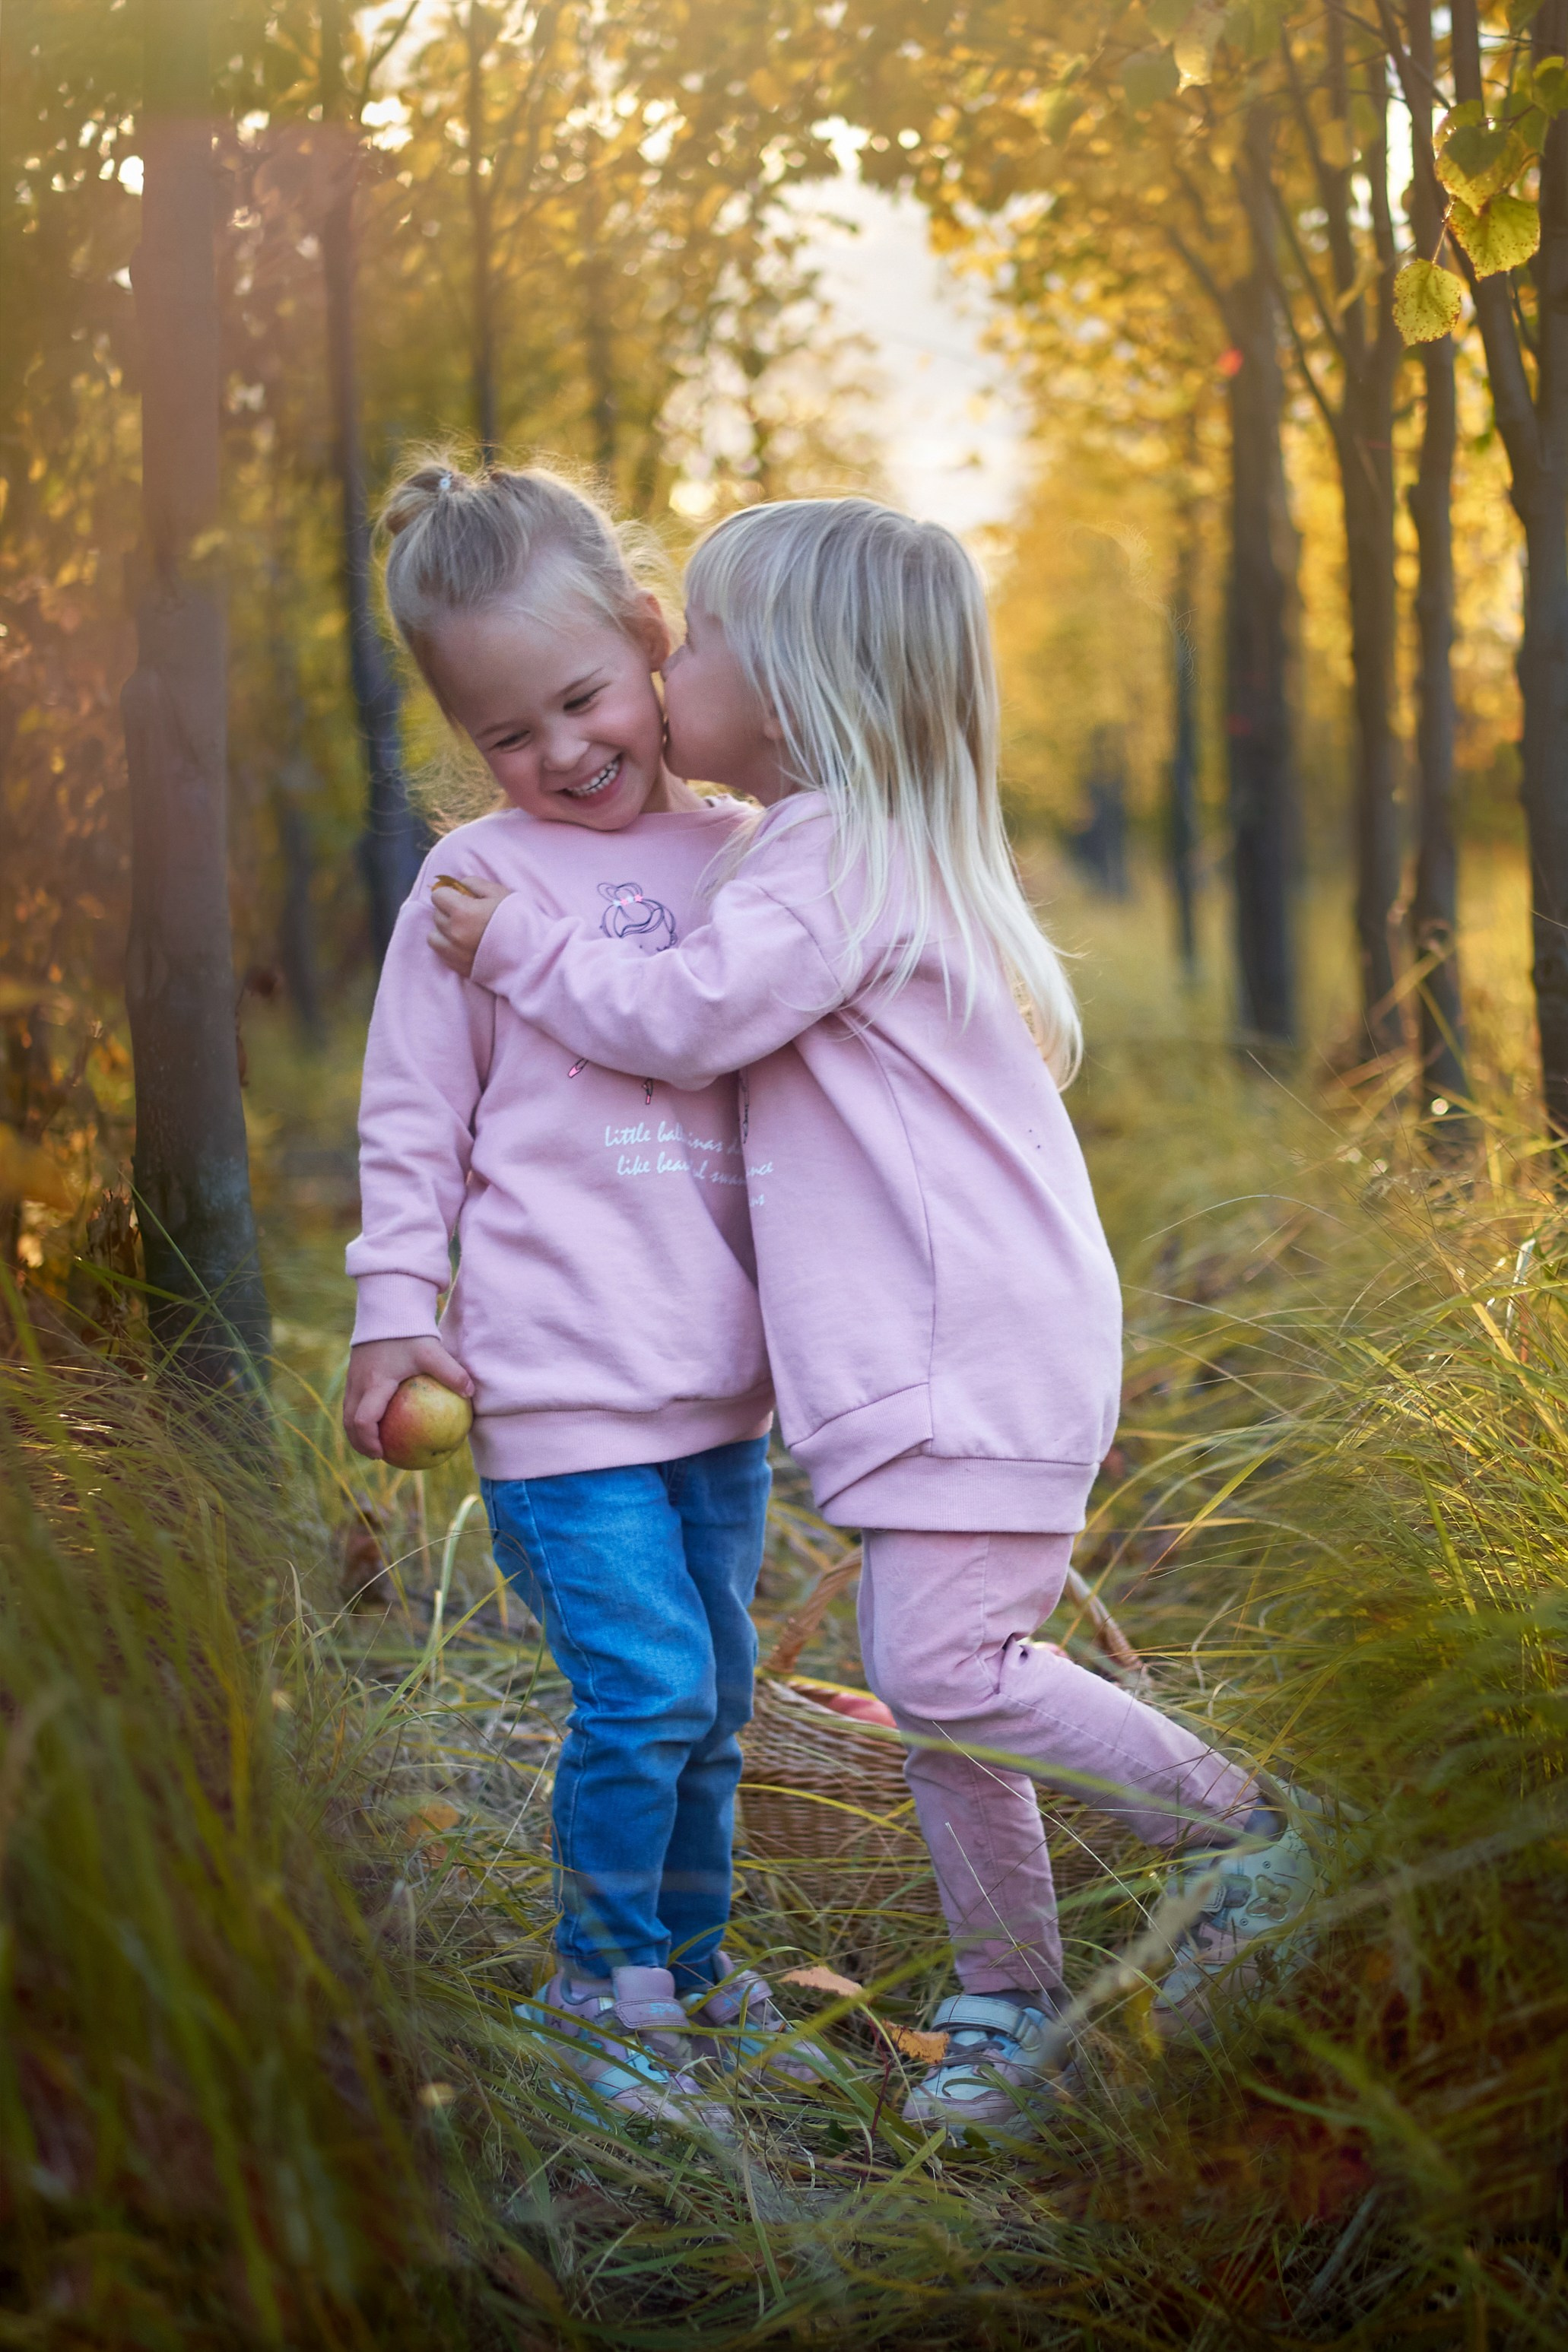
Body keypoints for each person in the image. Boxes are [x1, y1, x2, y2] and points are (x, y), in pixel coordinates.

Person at [426, 496, 1322, 2141]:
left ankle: (1247, 1827)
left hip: (960, 1347)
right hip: (963, 1345)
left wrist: (525, 949)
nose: (663, 667)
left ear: (784, 685)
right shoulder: (851, 844)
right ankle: (1005, 1995)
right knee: (942, 1689)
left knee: (945, 1664)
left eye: (689, 640)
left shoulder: (833, 848)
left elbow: (686, 1020)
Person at [342, 458, 827, 2132]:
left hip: (717, 1388)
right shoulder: (477, 886)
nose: (557, 751)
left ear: (644, 639)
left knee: (715, 1697)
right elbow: (414, 1118)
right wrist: (392, 1307)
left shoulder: (757, 850)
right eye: (503, 734)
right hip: (554, 1390)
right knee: (643, 1688)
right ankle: (598, 1984)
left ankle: (690, 1973)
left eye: (577, 696)